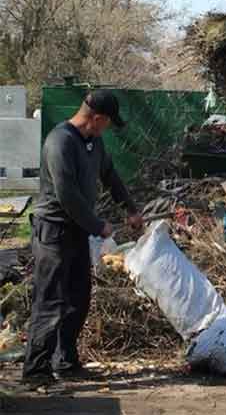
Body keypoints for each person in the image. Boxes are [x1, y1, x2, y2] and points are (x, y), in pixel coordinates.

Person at [22, 90, 143, 388]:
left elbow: (110, 174)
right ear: (97, 118)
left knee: (78, 298)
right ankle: (35, 370)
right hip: (53, 231)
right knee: (50, 301)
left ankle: (65, 362)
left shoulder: (94, 142)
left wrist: (130, 209)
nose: (108, 128)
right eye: (108, 123)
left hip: (76, 232)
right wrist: (97, 225)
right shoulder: (59, 141)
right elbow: (66, 195)